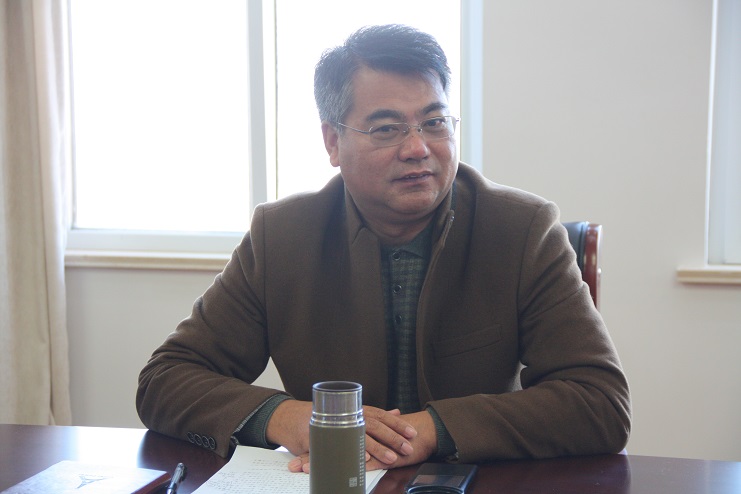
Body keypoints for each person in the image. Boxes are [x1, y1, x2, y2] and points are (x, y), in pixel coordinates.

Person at [136, 24, 631, 472]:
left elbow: (600, 402)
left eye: (435, 122)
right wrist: (288, 418)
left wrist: (430, 430)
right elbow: (166, 379)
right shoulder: (282, 236)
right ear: (333, 142)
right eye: (387, 129)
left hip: (471, 480)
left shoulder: (521, 230)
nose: (418, 148)